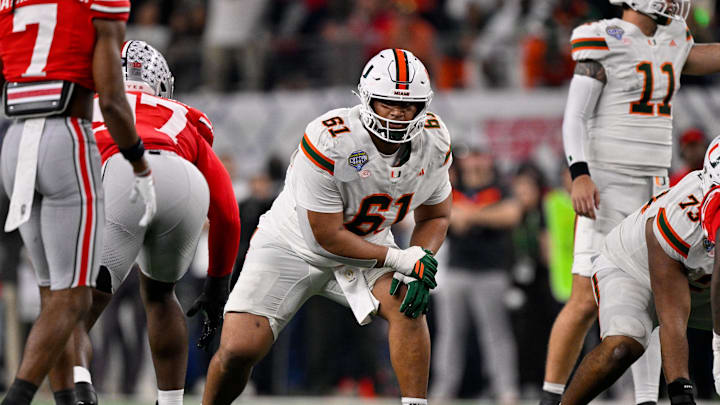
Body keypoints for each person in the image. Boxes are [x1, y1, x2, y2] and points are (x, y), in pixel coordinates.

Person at [201, 48, 452, 405]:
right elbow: (325, 235)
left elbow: (436, 216)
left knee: (409, 304)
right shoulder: (333, 139)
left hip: (367, 242)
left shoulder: (433, 141)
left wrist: (419, 258)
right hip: (292, 243)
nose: (398, 112)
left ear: (423, 105)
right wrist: (400, 260)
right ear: (366, 99)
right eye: (386, 102)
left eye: (408, 105)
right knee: (239, 349)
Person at [542, 1, 720, 404]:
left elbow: (706, 57)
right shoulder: (605, 36)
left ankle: (644, 399)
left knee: (652, 295)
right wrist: (579, 172)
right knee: (586, 297)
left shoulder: (672, 38)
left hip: (655, 179)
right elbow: (575, 114)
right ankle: (550, 397)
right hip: (607, 180)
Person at [47, 40, 241, 405]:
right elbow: (227, 213)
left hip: (122, 172)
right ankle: (170, 402)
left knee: (74, 307)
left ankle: (81, 389)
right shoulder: (184, 116)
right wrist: (218, 287)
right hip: (184, 179)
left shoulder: (81, 107)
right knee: (160, 295)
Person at [0, 2, 157, 405]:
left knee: (55, 298)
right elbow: (112, 100)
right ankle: (16, 399)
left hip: (15, 142)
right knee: (75, 299)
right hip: (66, 136)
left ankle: (72, 400)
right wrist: (139, 162)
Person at [561, 135, 720, 405]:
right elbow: (671, 318)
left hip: (701, 281)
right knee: (624, 345)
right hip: (633, 268)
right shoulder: (678, 220)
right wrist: (681, 392)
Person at [430, 145, 522, 404]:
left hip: (491, 272)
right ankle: (443, 389)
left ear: (487, 158)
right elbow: (440, 216)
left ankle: (506, 389)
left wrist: (469, 215)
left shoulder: (500, 186)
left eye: (478, 155)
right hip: (456, 271)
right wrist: (483, 216)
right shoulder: (451, 187)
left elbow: (511, 214)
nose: (474, 162)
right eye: (469, 156)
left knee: (496, 334)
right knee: (450, 335)